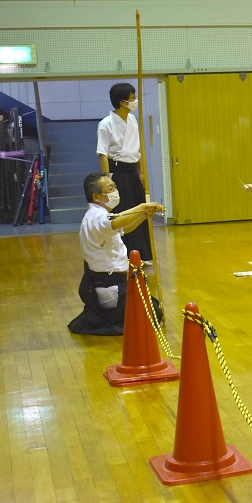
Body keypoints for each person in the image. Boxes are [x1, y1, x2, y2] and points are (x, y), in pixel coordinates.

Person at [68, 173, 164, 335]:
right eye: (110, 189)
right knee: (152, 314)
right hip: (109, 288)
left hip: (110, 283)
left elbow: (123, 228)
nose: (115, 191)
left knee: (153, 309)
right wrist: (142, 207)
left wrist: (143, 216)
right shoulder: (96, 218)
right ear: (96, 196)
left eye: (115, 187)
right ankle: (108, 318)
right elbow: (116, 221)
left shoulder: (99, 216)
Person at [97, 83, 152, 262]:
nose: (135, 101)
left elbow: (136, 150)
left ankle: (142, 254)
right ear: (122, 102)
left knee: (140, 212)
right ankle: (125, 255)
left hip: (133, 172)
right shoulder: (106, 124)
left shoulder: (132, 119)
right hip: (118, 173)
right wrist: (107, 181)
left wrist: (141, 173)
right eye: (132, 98)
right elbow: (102, 154)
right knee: (125, 213)